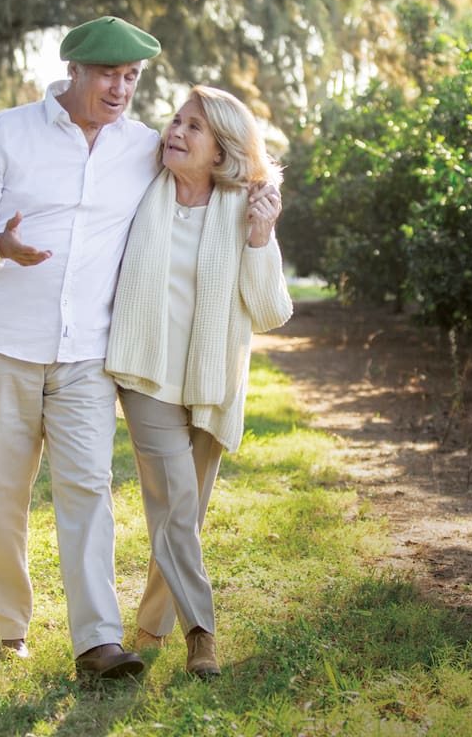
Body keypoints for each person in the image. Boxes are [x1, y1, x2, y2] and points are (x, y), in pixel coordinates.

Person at [0, 15, 164, 680]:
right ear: (74, 71)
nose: (120, 89)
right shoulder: (6, 133)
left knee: (89, 488)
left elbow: (201, 183)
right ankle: (7, 630)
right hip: (1, 339)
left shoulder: (144, 147)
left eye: (131, 77)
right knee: (2, 490)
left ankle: (97, 642)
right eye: (107, 75)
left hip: (87, 352)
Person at [105, 85, 293, 678]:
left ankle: (152, 624)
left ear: (220, 151)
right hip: (147, 372)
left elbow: (271, 312)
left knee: (178, 512)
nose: (175, 133)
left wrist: (260, 242)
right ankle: (201, 634)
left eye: (194, 127)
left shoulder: (245, 210)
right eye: (175, 121)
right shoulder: (139, 192)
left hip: (212, 381)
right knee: (177, 502)